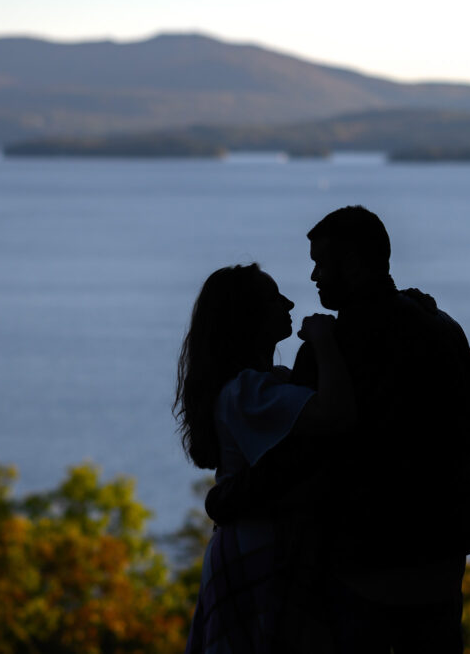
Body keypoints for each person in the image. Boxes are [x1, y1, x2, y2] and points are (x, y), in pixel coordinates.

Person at [206, 206, 470, 653]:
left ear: (355, 263)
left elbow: (297, 461)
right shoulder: (443, 329)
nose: (313, 276)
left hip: (361, 562)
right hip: (442, 555)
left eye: (321, 262)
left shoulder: (327, 353)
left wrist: (226, 497)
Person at [176, 262, 356, 653]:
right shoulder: (248, 393)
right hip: (261, 553)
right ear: (250, 316)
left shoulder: (255, 388)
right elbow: (335, 414)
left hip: (253, 550)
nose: (289, 303)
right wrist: (323, 341)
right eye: (275, 298)